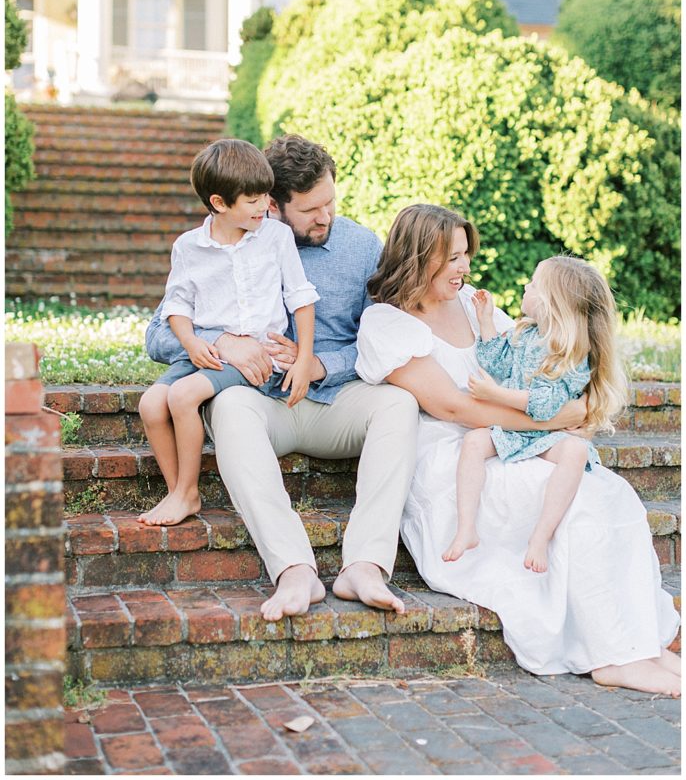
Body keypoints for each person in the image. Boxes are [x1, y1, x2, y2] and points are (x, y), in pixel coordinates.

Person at [356, 204, 680, 696]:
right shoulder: (386, 322)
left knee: (611, 496)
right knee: (581, 504)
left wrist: (579, 398)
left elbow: (541, 360)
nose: (465, 268)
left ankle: (642, 644)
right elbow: (453, 407)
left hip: (513, 439)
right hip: (455, 456)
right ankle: (613, 657)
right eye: (452, 259)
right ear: (419, 257)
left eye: (466, 255)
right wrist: (554, 419)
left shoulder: (471, 306)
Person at [145, 135, 423, 622]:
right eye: (311, 209)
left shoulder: (361, 247)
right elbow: (158, 336)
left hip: (335, 401)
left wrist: (320, 363)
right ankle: (294, 570)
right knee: (228, 408)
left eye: (330, 202)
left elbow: (387, 336)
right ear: (272, 205)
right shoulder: (224, 241)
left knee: (398, 404)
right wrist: (225, 342)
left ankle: (366, 565)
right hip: (262, 403)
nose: (326, 216)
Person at [138, 138, 319, 528]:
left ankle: (186, 491)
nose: (264, 206)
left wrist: (304, 359)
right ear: (219, 203)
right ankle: (179, 492)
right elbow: (177, 306)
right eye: (253, 200)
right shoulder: (189, 247)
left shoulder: (275, 237)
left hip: (259, 355)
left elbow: (301, 297)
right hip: (205, 352)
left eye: (265, 196)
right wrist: (191, 342)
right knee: (151, 405)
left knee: (184, 396)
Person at [443, 257, 625, 573]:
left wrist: (495, 395)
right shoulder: (526, 333)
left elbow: (543, 405)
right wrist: (485, 321)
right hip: (517, 430)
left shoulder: (569, 351)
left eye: (534, 283)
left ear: (552, 303)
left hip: (549, 434)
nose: (526, 285)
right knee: (473, 441)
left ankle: (541, 537)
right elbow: (496, 364)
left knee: (576, 451)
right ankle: (466, 529)